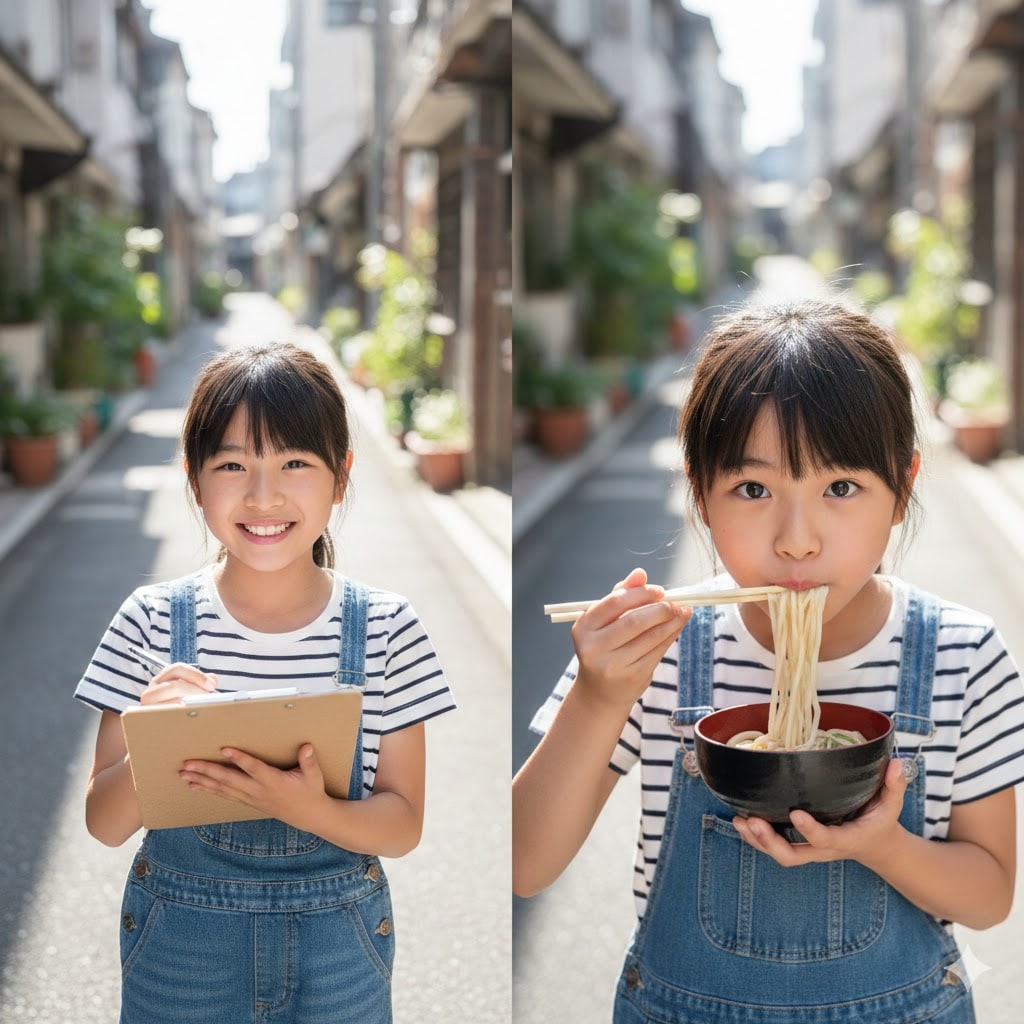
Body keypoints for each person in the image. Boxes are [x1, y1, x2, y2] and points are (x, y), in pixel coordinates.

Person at [513, 299, 1024, 1023]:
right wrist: (598, 698)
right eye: (753, 489)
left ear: (902, 489)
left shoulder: (962, 656)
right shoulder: (655, 650)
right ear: (698, 490)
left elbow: (990, 894)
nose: (797, 540)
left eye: (840, 488)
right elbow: (526, 863)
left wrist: (883, 844)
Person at [76, 342, 456, 1024]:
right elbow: (103, 824)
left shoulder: (388, 629)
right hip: (181, 950)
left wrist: (305, 806)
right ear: (194, 479)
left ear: (341, 475)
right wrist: (154, 740)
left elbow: (401, 826)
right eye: (231, 465)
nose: (263, 495)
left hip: (339, 946)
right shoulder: (148, 621)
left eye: (294, 463)